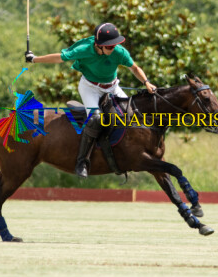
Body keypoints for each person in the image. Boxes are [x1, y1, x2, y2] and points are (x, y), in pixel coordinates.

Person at [25, 23, 156, 178]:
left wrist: (146, 82)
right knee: (95, 119)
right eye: (109, 46)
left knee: (131, 115)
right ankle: (82, 162)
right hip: (90, 88)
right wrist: (34, 59)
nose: (113, 48)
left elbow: (134, 68)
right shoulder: (84, 50)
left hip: (112, 87)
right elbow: (60, 58)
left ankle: (128, 153)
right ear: (99, 45)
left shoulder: (119, 52)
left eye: (115, 45)